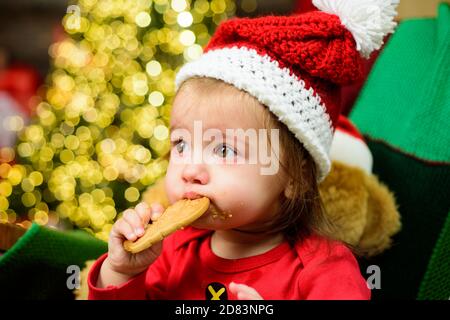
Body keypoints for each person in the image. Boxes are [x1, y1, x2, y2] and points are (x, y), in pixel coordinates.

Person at [88, 0, 399, 300]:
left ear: (294, 176)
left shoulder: (324, 270)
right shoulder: (170, 250)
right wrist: (121, 272)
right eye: (181, 144)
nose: (191, 170)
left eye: (224, 150)